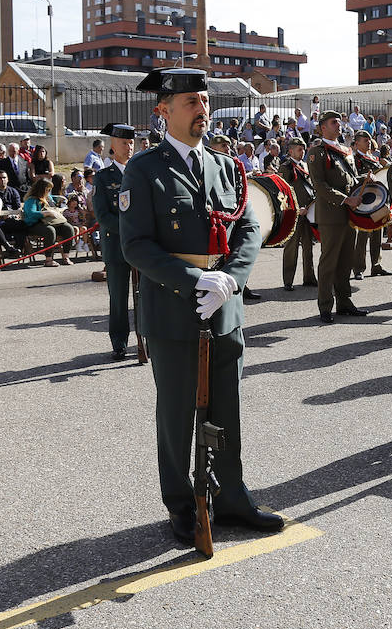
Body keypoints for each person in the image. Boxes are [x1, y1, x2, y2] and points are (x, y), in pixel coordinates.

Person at [120, 66, 282, 543]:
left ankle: (231, 497)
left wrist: (229, 281)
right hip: (174, 310)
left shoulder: (226, 165)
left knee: (226, 408)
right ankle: (182, 503)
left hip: (224, 307)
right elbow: (137, 245)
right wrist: (196, 279)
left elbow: (249, 229)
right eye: (191, 102)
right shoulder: (144, 169)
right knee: (176, 414)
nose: (202, 110)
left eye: (205, 101)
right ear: (163, 111)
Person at [307, 110, 366, 323]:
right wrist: (345, 199)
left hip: (349, 214)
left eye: (339, 122)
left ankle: (344, 302)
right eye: (334, 122)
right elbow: (319, 185)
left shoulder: (344, 150)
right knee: (329, 261)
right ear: (323, 127)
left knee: (345, 261)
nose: (338, 125)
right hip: (332, 214)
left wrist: (364, 179)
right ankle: (325, 306)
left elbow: (349, 178)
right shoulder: (318, 151)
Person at [91, 124, 137, 358]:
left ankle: (144, 339)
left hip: (142, 246)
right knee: (119, 298)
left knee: (144, 296)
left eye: (131, 143)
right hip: (117, 245)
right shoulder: (103, 177)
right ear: (112, 145)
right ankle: (119, 342)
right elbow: (103, 216)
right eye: (123, 143)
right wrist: (132, 229)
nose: (128, 148)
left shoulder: (140, 173)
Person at [279, 137, 316, 291]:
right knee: (291, 247)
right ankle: (288, 280)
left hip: (308, 211)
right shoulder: (286, 167)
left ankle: (309, 277)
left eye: (303, 149)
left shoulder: (306, 166)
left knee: (308, 247)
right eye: (299, 149)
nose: (302, 152)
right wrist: (295, 209)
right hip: (294, 213)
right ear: (291, 151)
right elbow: (282, 192)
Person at [350, 130, 389, 279]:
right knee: (363, 233)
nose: (368, 142)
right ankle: (358, 268)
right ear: (357, 143)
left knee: (377, 232)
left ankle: (376, 265)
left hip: (377, 199)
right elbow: (353, 177)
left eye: (369, 140)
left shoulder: (373, 158)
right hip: (364, 200)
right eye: (365, 140)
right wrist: (365, 177)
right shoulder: (355, 159)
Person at [22, 179, 75, 267]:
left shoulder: (48, 197)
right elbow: (31, 214)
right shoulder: (31, 200)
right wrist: (47, 213)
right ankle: (48, 259)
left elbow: (53, 199)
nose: (49, 192)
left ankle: (66, 256)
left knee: (68, 228)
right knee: (50, 230)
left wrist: (59, 198)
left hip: (51, 222)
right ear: (42, 189)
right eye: (48, 189)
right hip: (35, 224)